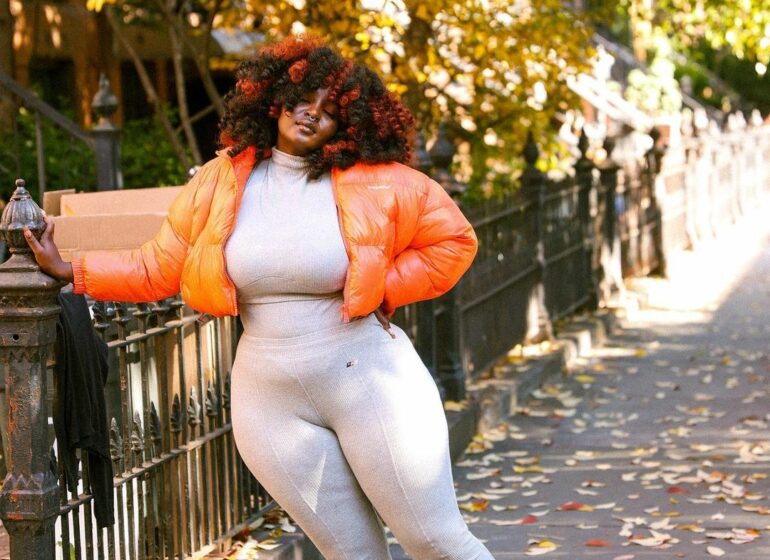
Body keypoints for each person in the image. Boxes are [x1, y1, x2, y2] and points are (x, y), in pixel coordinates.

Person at [24, 35, 495, 560]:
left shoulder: (383, 183)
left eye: (329, 110)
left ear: (350, 124)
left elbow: (455, 241)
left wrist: (381, 286)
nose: (311, 114)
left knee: (435, 541)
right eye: (303, 100)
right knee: (354, 554)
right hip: (270, 404)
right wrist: (70, 270)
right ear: (275, 100)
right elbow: (158, 267)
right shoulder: (220, 180)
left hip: (369, 379)